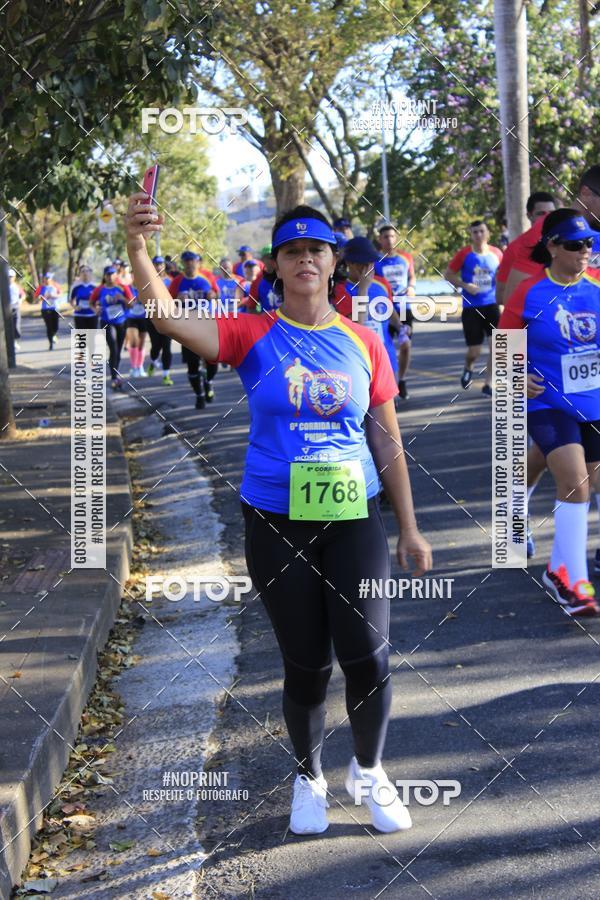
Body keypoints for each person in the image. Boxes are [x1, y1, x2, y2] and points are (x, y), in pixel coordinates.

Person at [126, 195, 432, 835]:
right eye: (292, 251)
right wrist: (137, 247)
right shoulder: (252, 332)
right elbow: (170, 321)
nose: (305, 261)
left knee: (368, 654)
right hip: (275, 521)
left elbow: (386, 440)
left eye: (315, 250)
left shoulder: (364, 342)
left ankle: (370, 771)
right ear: (277, 265)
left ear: (332, 262)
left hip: (354, 516)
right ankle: (309, 777)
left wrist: (409, 526)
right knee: (306, 662)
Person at [499, 209, 600, 616]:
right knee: (575, 483)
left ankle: (554, 564)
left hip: (592, 405)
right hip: (547, 403)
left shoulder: (596, 290)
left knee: (586, 484)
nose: (585, 252)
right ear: (553, 248)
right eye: (575, 245)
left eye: (589, 244)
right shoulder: (529, 293)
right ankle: (572, 582)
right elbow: (504, 345)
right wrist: (517, 379)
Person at [445, 221, 503, 396]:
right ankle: (468, 367)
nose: (478, 235)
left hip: (492, 305)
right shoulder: (464, 254)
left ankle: (489, 383)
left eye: (481, 231)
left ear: (488, 233)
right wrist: (465, 285)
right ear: (471, 234)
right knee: (474, 351)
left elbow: (503, 276)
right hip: (472, 307)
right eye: (475, 232)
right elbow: (448, 274)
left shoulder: (497, 253)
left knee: (496, 346)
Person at [334, 237, 400, 379]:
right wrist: (363, 289)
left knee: (390, 401)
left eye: (372, 262)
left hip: (386, 356)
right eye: (364, 263)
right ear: (350, 263)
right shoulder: (340, 290)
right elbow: (357, 327)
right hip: (360, 360)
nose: (370, 267)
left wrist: (401, 327)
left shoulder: (381, 284)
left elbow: (389, 312)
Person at [168, 251, 217, 408]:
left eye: (192, 261)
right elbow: (167, 303)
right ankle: (199, 394)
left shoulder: (207, 277)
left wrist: (212, 295)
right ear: (183, 263)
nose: (190, 264)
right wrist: (176, 301)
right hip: (187, 327)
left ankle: (208, 381)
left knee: (212, 362)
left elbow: (217, 294)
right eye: (187, 261)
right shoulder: (177, 282)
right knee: (192, 364)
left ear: (198, 262)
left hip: (207, 325)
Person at [374, 224, 417, 399]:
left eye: (392, 236)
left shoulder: (406, 258)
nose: (389, 240)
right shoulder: (375, 261)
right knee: (385, 351)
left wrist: (412, 286)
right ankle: (388, 387)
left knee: (406, 345)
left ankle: (402, 379)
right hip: (384, 311)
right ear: (380, 240)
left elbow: (411, 276)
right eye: (385, 237)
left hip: (404, 308)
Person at [495, 191, 556, 308]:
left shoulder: (570, 243)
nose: (547, 217)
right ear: (529, 216)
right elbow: (500, 296)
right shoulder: (515, 248)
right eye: (541, 213)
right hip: (531, 318)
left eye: (551, 213)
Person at [90, 265, 134, 390]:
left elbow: (132, 304)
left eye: (112, 274)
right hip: (106, 321)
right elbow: (91, 303)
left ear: (116, 275)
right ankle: (114, 378)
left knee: (118, 350)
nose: (110, 277)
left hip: (122, 321)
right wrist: (95, 309)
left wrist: (123, 299)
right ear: (105, 276)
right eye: (108, 274)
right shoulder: (99, 289)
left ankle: (116, 372)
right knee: (113, 348)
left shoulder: (123, 287)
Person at [146, 256, 173, 384]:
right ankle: (153, 361)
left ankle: (166, 375)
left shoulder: (171, 281)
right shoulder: (148, 281)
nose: (158, 267)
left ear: (164, 266)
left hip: (168, 317)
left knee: (167, 347)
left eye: (160, 264)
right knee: (156, 346)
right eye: (156, 264)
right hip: (152, 317)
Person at [244, 246, 281, 313]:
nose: (274, 259)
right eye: (270, 257)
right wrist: (262, 317)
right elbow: (251, 308)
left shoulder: (288, 277)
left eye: (276, 256)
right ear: (263, 260)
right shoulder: (257, 281)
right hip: (268, 322)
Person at [35, 272, 61, 350]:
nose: (47, 280)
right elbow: (36, 298)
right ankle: (51, 344)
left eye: (48, 278)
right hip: (45, 309)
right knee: (49, 327)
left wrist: (52, 296)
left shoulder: (55, 286)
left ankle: (54, 334)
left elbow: (60, 295)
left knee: (55, 326)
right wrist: (40, 298)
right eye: (45, 278)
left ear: (51, 279)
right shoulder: (41, 288)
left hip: (55, 308)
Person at [70, 265, 98, 330]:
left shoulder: (95, 287)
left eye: (87, 271)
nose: (85, 273)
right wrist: (75, 307)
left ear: (90, 273)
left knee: (91, 339)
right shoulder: (75, 287)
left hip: (92, 315)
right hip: (79, 315)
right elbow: (71, 301)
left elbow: (98, 301)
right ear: (80, 274)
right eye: (83, 271)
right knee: (82, 339)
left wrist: (96, 308)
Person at [8, 268, 25, 350]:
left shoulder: (17, 286)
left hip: (15, 307)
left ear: (14, 277)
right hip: (7, 308)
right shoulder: (4, 287)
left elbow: (23, 295)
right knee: (8, 326)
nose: (10, 278)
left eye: (11, 277)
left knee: (16, 326)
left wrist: (20, 301)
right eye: (8, 277)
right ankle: (11, 342)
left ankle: (15, 341)